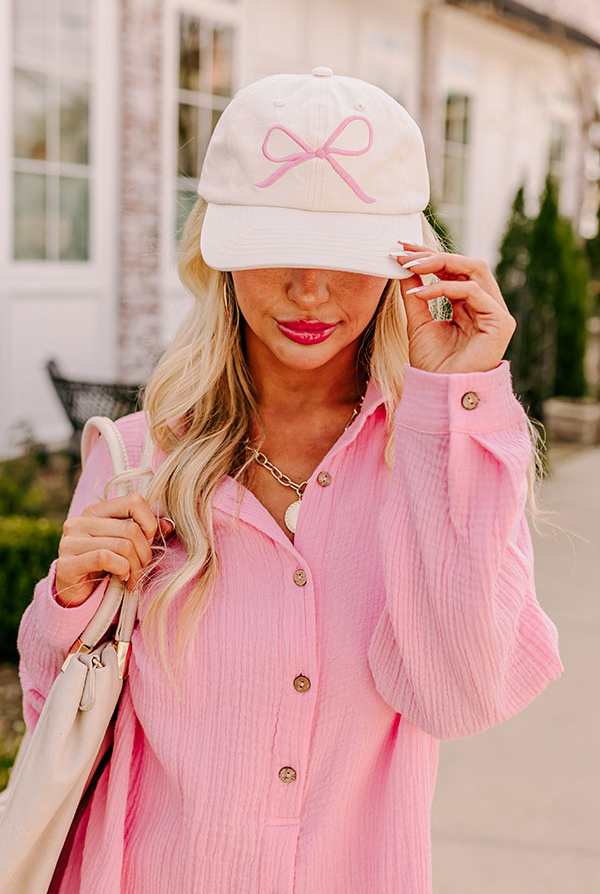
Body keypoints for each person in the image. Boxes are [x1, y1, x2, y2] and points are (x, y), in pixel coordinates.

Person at [17, 67, 563, 893]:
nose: (310, 292)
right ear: (218, 250)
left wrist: (454, 398)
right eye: (276, 251)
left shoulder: (435, 455)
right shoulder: (137, 458)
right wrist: (68, 601)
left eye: (345, 256)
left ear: (404, 263)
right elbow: (51, 721)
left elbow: (461, 694)